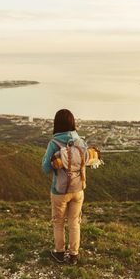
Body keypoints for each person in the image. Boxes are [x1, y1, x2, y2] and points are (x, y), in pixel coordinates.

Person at [42, 109, 87, 265]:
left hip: (59, 190)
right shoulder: (80, 141)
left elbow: (46, 168)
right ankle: (74, 255)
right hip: (78, 189)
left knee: (58, 222)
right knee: (74, 222)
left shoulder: (54, 143)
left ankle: (59, 253)